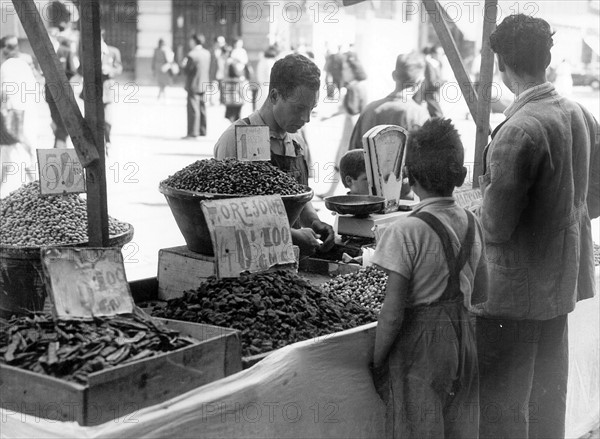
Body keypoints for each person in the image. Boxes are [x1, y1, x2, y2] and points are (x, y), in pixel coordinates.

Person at [473, 14, 600, 439]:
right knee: (547, 405)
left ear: (504, 66)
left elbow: (494, 226)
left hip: (513, 296)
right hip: (560, 286)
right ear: (546, 57)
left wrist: (469, 204)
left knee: (504, 410)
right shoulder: (578, 113)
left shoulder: (518, 130)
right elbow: (594, 200)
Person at [371, 118, 489, 439]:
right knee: (460, 428)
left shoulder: (405, 230)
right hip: (464, 342)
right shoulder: (472, 222)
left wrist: (378, 360)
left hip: (421, 351)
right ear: (460, 175)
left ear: (409, 176)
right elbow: (480, 293)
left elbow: (392, 314)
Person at [214, 53, 335, 257]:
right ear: (274, 96)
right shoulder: (237, 138)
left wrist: (314, 221)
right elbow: (231, 218)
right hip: (249, 265)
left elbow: (299, 196)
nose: (306, 119)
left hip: (290, 262)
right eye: (299, 109)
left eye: (311, 110)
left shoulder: (296, 142)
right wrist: (292, 236)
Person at [349, 52, 429, 151]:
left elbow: (352, 154)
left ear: (394, 76)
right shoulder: (419, 114)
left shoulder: (369, 110)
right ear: (420, 81)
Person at [0, 35, 39, 196]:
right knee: (26, 152)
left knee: (11, 155)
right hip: (24, 114)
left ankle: (35, 187)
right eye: (9, 46)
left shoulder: (7, 65)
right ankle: (36, 187)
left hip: (14, 116)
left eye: (13, 46)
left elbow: (4, 94)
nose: (11, 50)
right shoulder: (22, 64)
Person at [46, 27, 78, 148]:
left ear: (55, 38)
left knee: (63, 120)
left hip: (63, 92)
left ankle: (59, 145)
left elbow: (72, 71)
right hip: (50, 92)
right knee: (55, 119)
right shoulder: (44, 53)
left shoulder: (66, 51)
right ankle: (59, 144)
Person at [181, 33, 211, 138]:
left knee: (193, 109)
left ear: (194, 41)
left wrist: (183, 65)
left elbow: (187, 70)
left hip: (194, 84)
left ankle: (193, 132)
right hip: (204, 83)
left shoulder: (192, 55)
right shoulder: (207, 53)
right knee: (202, 107)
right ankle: (202, 130)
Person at [100, 29, 122, 148]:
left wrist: (110, 70)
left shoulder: (113, 51)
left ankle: (108, 141)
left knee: (108, 118)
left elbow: (119, 68)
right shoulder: (89, 52)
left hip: (108, 89)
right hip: (93, 90)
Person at [415, 45, 445, 118]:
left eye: (442, 54)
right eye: (439, 53)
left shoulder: (437, 64)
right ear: (433, 54)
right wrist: (444, 81)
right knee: (439, 116)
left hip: (432, 95)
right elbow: (433, 83)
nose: (441, 56)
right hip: (429, 95)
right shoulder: (430, 64)